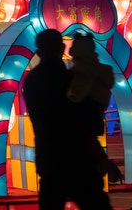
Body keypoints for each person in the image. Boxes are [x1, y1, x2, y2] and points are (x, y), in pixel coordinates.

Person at [23, 29, 112, 210]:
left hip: (49, 159)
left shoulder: (32, 80)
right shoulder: (72, 79)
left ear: (39, 52)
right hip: (79, 160)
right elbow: (88, 120)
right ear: (62, 48)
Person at [68, 32, 115, 176]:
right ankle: (102, 164)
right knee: (91, 143)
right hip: (95, 118)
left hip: (80, 120)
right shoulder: (102, 72)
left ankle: (101, 165)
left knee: (83, 150)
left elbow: (75, 96)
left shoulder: (80, 73)